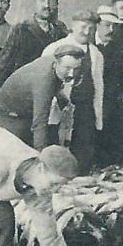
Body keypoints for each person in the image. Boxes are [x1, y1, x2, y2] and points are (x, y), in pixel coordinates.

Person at [42, 9, 104, 170]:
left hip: (85, 110)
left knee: (83, 153)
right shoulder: (54, 48)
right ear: (73, 26)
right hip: (60, 109)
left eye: (91, 28)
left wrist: (98, 116)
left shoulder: (96, 54)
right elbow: (44, 83)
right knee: (57, 152)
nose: (87, 32)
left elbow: (99, 86)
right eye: (83, 27)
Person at [0, 43, 85, 149]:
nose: (71, 73)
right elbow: (40, 122)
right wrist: (41, 156)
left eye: (76, 69)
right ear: (55, 64)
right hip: (10, 118)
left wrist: (62, 99)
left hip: (25, 113)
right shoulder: (44, 81)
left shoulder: (54, 63)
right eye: (67, 68)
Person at [0, 0, 67, 98]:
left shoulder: (61, 31)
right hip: (26, 90)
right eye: (42, 0)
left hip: (53, 91)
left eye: (51, 1)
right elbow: (5, 64)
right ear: (35, 4)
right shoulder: (21, 29)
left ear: (56, 5)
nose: (46, 5)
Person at [94, 4, 123, 167]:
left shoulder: (119, 47)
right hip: (93, 101)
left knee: (119, 143)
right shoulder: (89, 46)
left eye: (113, 26)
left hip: (114, 101)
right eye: (107, 25)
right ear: (97, 25)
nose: (110, 29)